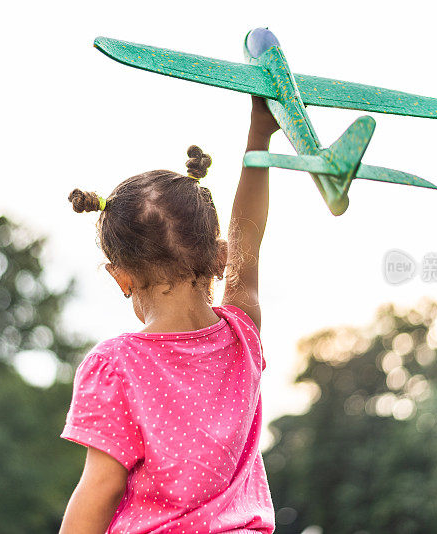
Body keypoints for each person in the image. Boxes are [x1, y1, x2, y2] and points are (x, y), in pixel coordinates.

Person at [59, 96, 280, 533]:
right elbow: (250, 229)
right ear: (221, 256)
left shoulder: (115, 367)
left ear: (120, 277)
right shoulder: (242, 335)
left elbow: (98, 490)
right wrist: (260, 131)